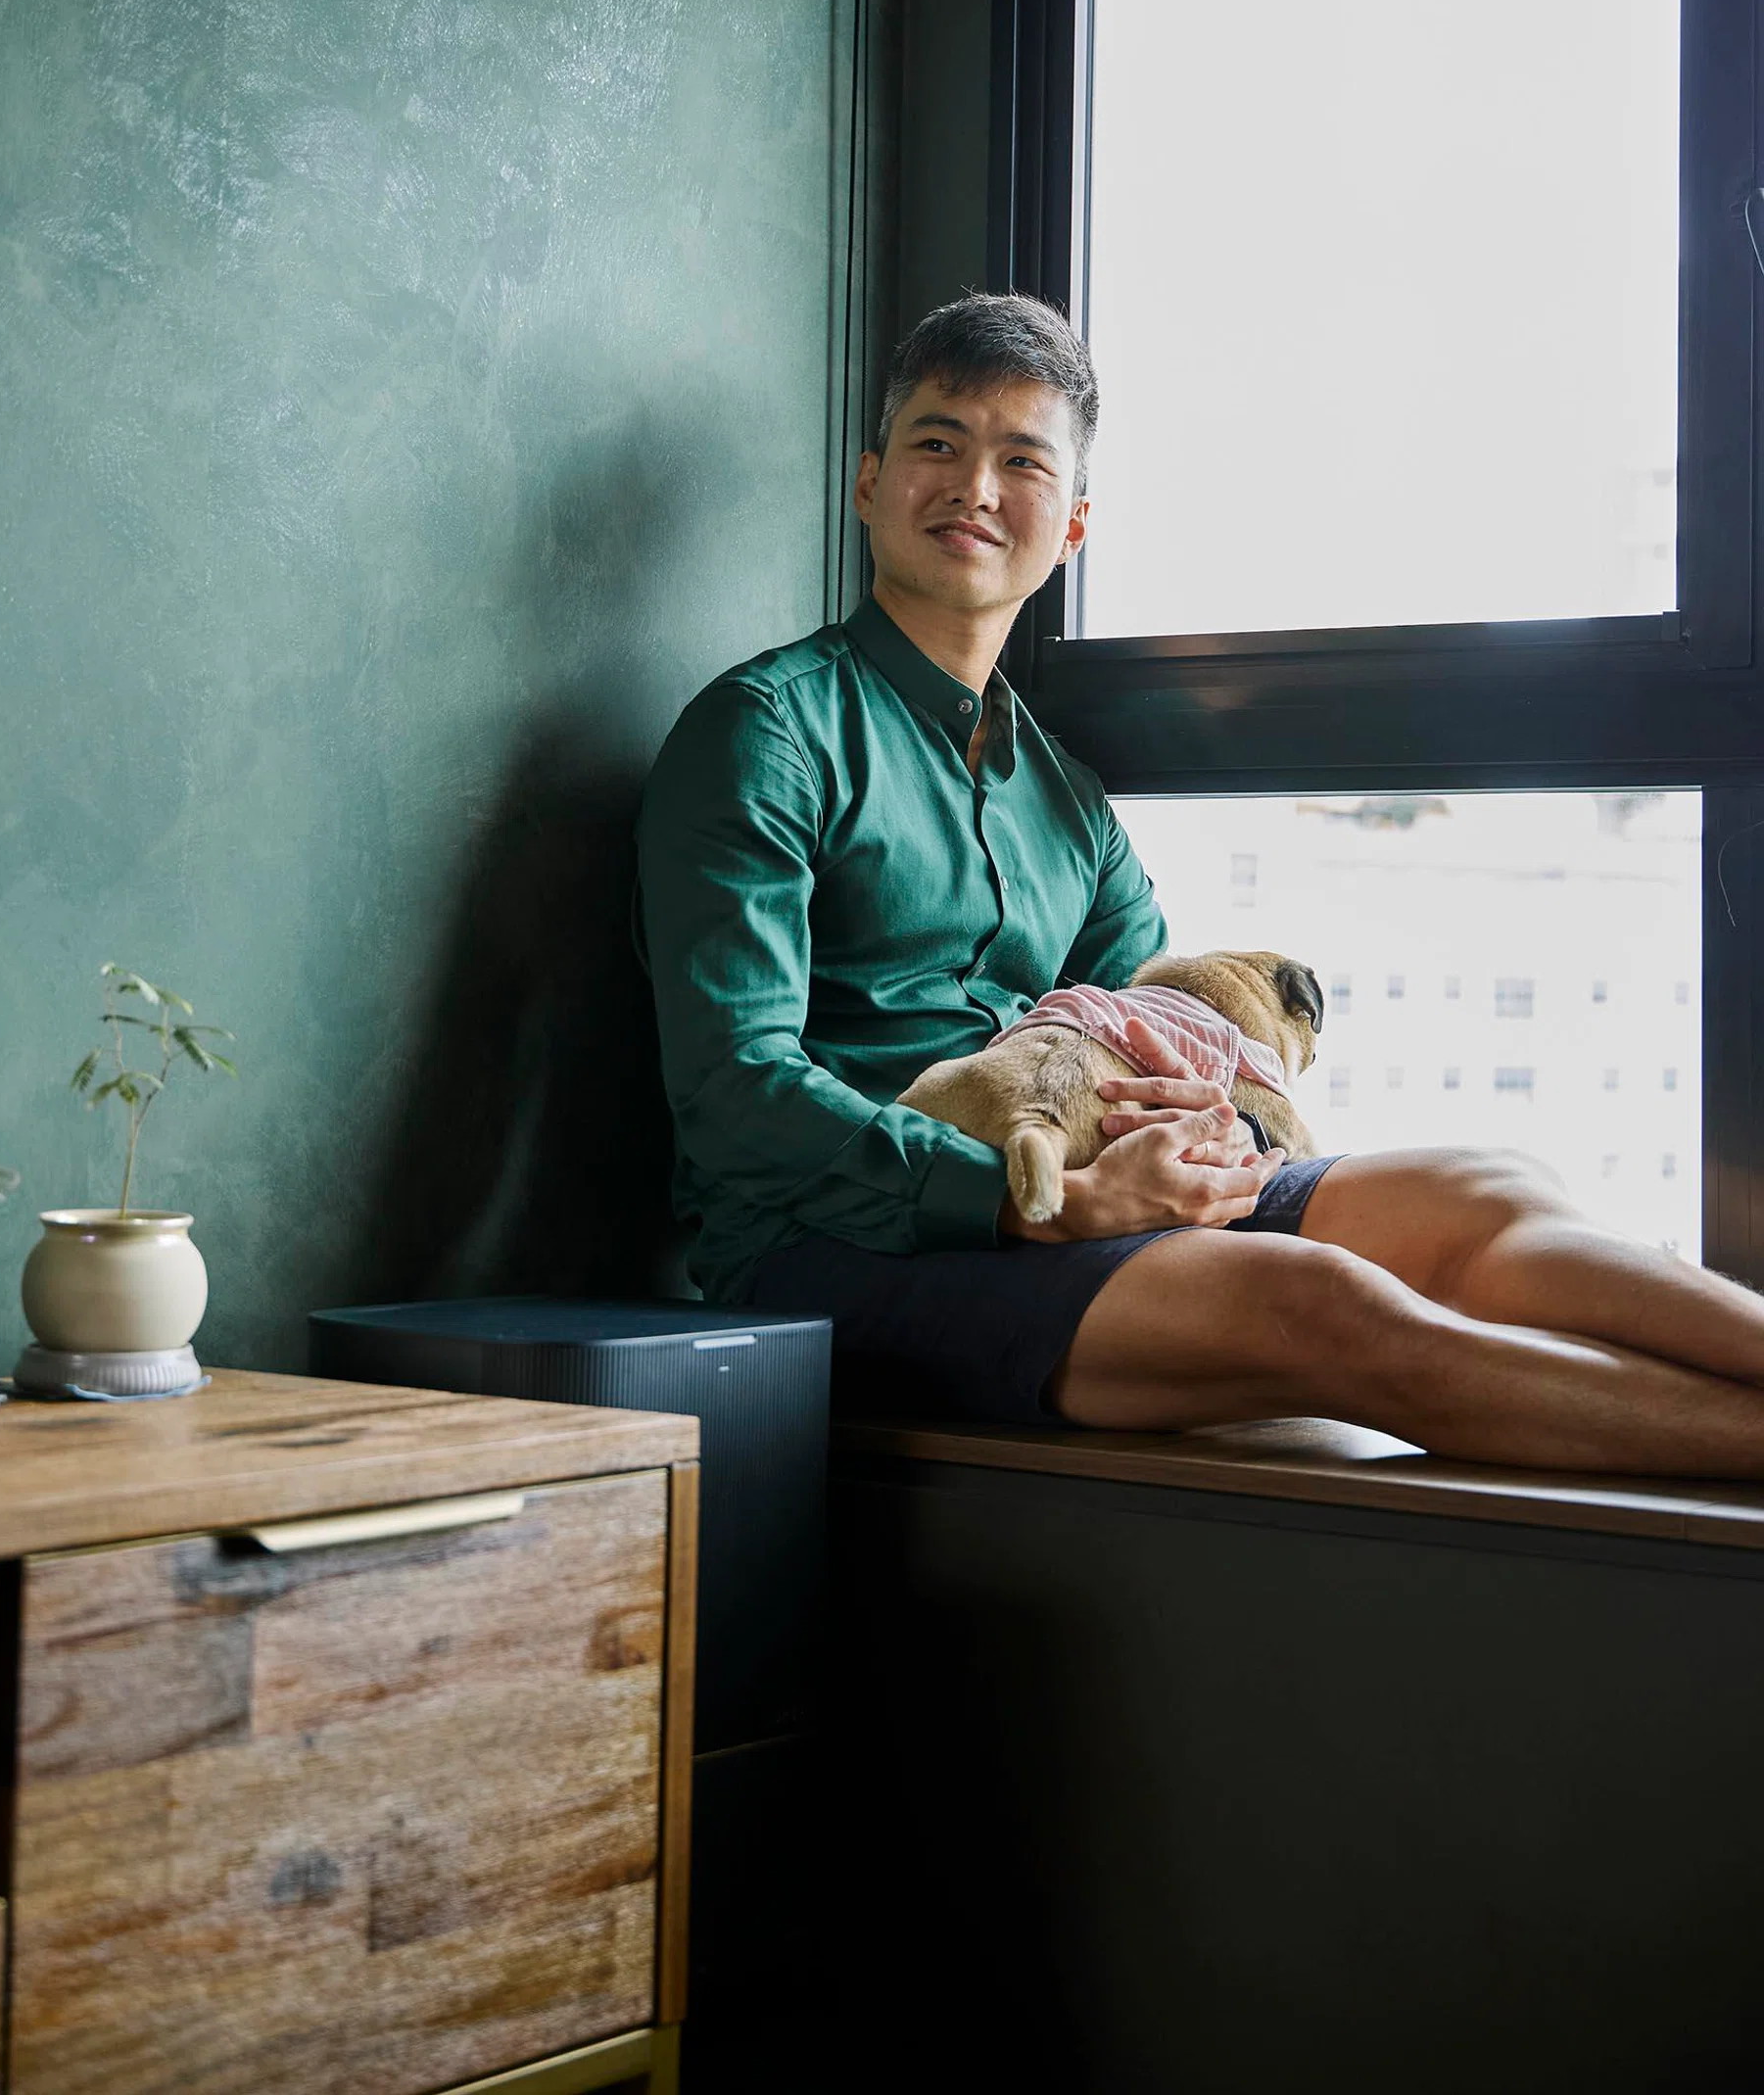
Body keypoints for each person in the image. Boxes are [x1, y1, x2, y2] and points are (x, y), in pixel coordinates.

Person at [638, 292, 1764, 1472]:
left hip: (1086, 1196)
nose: (973, 486)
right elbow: (735, 1092)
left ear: (1070, 526)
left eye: (1019, 459)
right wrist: (1032, 1202)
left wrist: (1203, 1137)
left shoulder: (1068, 800)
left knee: (1487, 1186)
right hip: (836, 1247)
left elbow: (1155, 1029)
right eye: (937, 442)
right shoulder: (764, 732)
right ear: (869, 481)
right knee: (1323, 1300)